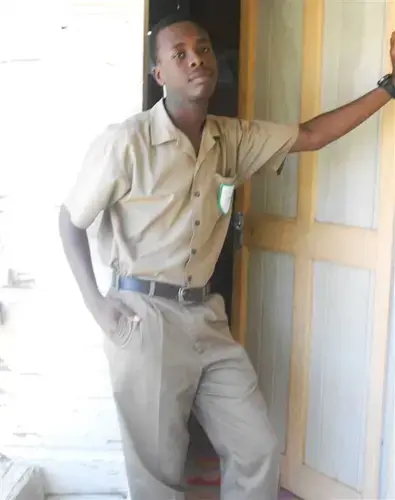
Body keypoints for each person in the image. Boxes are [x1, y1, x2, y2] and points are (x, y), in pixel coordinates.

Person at [59, 12, 395, 500]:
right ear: (160, 75)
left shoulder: (230, 138)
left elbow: (311, 135)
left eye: (204, 49)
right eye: (180, 54)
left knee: (255, 446)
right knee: (158, 472)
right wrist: (97, 306)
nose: (196, 59)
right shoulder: (126, 143)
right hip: (144, 319)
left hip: (205, 317)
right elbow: (70, 221)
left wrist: (389, 86)